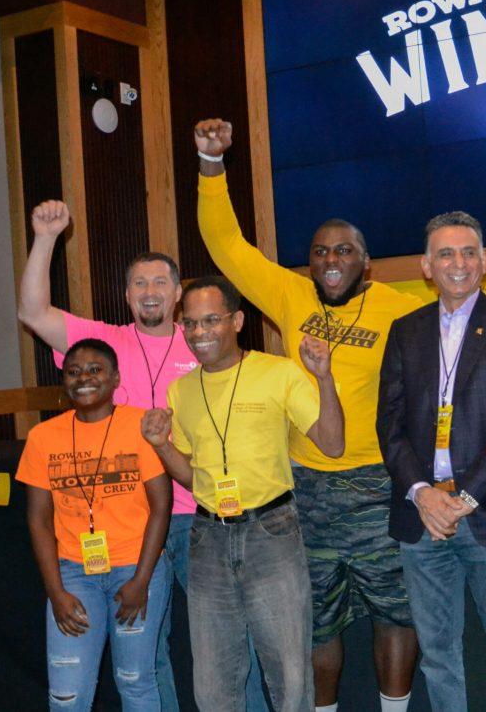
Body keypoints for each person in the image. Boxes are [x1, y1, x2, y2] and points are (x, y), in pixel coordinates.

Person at [193, 119, 423, 711]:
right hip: (306, 491)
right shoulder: (290, 296)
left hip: (377, 485)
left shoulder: (399, 309)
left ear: (365, 262)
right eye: (320, 250)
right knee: (316, 619)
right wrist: (210, 165)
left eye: (343, 250)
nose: (330, 259)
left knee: (395, 610)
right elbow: (227, 248)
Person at [16, 200, 230, 711]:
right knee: (147, 661)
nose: (150, 291)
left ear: (178, 294)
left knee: (223, 645)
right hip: (130, 525)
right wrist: (46, 237)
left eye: (160, 283)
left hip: (201, 515)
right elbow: (32, 313)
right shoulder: (103, 343)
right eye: (140, 283)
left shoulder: (204, 342)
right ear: (127, 294)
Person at [141, 276, 345, 711]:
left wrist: (324, 379)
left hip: (272, 533)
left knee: (290, 677)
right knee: (214, 682)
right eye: (191, 324)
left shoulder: (279, 372)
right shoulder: (181, 390)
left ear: (236, 320)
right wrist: (161, 446)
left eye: (211, 320)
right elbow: (195, 480)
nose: (199, 333)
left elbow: (332, 443)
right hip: (207, 539)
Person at [377, 211, 486, 710]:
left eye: (468, 252)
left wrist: (465, 498)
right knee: (439, 655)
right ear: (427, 266)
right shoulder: (405, 331)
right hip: (423, 518)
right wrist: (423, 494)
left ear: (484, 262)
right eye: (446, 253)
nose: (458, 262)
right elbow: (391, 424)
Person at [17, 339, 172, 711]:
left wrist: (141, 579)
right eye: (73, 372)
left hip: (137, 570)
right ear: (64, 381)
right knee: (67, 695)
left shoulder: (139, 424)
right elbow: (38, 519)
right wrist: (55, 592)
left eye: (95, 370)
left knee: (135, 682)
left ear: (115, 378)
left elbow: (161, 504)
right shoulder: (43, 437)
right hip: (73, 574)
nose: (84, 378)